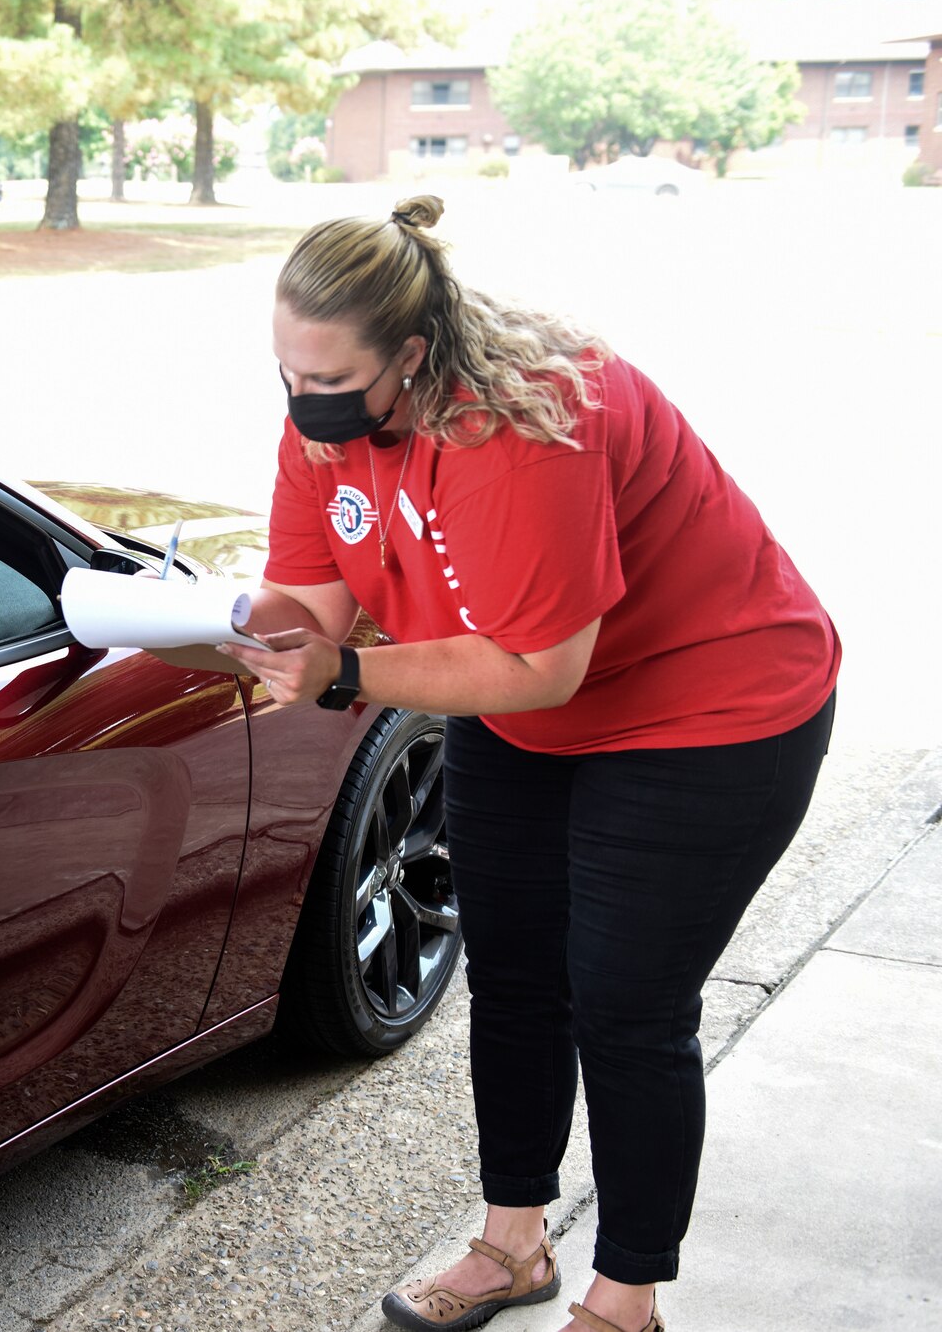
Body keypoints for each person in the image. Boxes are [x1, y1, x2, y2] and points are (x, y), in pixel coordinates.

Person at [219, 195, 838, 1332]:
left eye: (325, 378)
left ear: (410, 353)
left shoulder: (527, 422)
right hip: (521, 715)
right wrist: (197, 619)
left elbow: (534, 664)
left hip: (709, 707)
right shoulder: (323, 426)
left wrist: (346, 675)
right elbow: (310, 597)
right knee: (509, 978)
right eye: (283, 373)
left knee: (624, 1003)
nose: (303, 403)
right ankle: (511, 1247)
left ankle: (625, 1292)